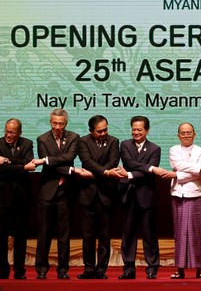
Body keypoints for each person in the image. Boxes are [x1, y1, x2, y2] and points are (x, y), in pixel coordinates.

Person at [158, 123, 201, 279]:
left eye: (189, 133)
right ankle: (179, 269)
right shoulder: (174, 150)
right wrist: (198, 168)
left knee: (196, 232)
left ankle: (199, 268)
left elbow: (198, 175)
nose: (186, 135)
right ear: (178, 135)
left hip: (196, 194)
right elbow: (177, 165)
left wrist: (177, 175)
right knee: (180, 232)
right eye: (183, 133)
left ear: (194, 134)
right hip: (178, 194)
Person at [31, 108, 86, 280]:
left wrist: (47, 160)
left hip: (65, 191)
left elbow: (69, 155)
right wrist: (71, 169)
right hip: (47, 191)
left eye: (61, 124)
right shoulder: (42, 139)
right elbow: (50, 165)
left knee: (64, 234)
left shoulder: (74, 137)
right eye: (54, 123)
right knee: (44, 233)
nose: (57, 127)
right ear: (50, 122)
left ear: (66, 124)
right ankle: (41, 269)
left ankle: (63, 269)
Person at [76, 115, 126, 279]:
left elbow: (113, 162)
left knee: (105, 236)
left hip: (106, 194)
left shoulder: (113, 141)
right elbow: (87, 161)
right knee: (88, 235)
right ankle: (89, 269)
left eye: (105, 129)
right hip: (87, 194)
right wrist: (105, 173)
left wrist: (96, 174)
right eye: (99, 131)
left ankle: (101, 270)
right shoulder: (83, 141)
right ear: (91, 131)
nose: (104, 133)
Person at [0, 118, 36, 280]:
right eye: (6, 131)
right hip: (3, 197)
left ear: (19, 133)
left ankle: (19, 271)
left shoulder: (27, 143)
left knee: (21, 235)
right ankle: (3, 270)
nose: (8, 135)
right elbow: (2, 169)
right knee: (1, 235)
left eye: (12, 132)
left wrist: (8, 160)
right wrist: (22, 167)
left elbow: (29, 162)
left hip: (21, 197)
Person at [118, 116, 161, 280]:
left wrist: (129, 174)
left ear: (147, 130)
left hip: (146, 195)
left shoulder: (155, 148)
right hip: (128, 194)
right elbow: (128, 162)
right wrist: (149, 168)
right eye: (133, 129)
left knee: (149, 234)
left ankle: (152, 267)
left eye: (139, 129)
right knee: (128, 233)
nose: (136, 132)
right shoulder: (125, 145)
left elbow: (144, 169)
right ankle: (128, 268)